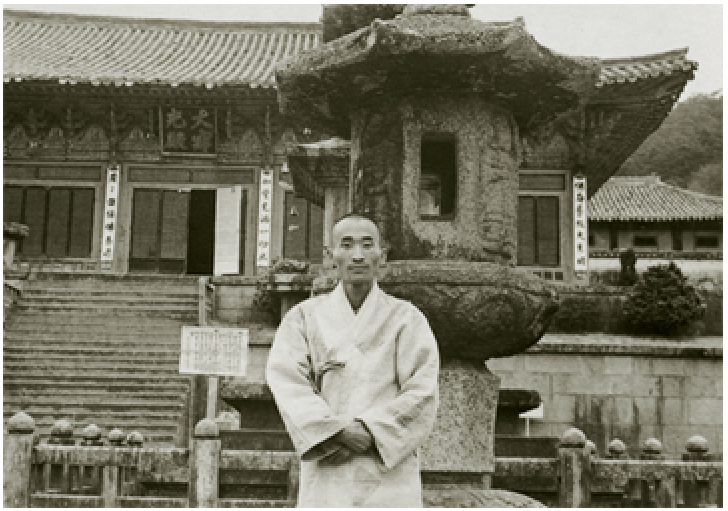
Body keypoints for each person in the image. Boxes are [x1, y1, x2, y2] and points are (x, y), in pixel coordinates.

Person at [266, 213, 440, 508]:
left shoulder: (407, 319)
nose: (357, 255)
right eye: (346, 245)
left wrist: (371, 431)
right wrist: (337, 433)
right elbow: (288, 383)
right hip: (329, 463)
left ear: (381, 256)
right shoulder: (303, 319)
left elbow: (422, 390)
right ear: (331, 256)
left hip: (388, 468)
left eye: (367, 245)